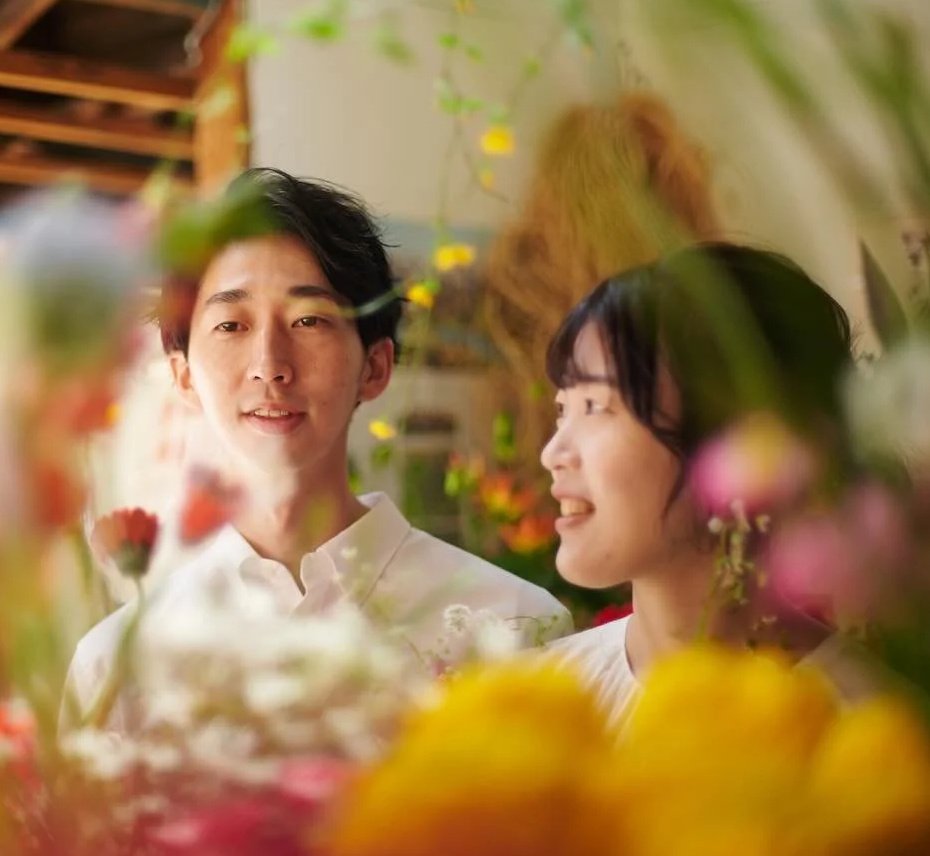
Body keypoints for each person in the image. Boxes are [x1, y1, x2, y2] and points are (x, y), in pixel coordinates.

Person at [65, 168, 572, 725]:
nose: (270, 366)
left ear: (374, 367)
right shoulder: (115, 669)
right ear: (183, 376)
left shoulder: (515, 628)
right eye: (232, 325)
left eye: (309, 320)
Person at [538, 243, 879, 724]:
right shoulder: (541, 703)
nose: (552, 454)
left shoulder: (866, 731)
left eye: (595, 407)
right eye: (561, 411)